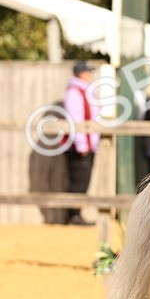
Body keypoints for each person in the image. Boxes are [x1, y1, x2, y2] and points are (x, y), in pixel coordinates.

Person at [63, 61, 99, 225]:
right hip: (80, 145)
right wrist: (82, 144)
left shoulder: (85, 91)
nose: (90, 75)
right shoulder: (75, 93)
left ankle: (76, 214)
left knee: (83, 180)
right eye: (88, 72)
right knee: (78, 179)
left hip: (87, 143)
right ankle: (74, 215)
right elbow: (75, 120)